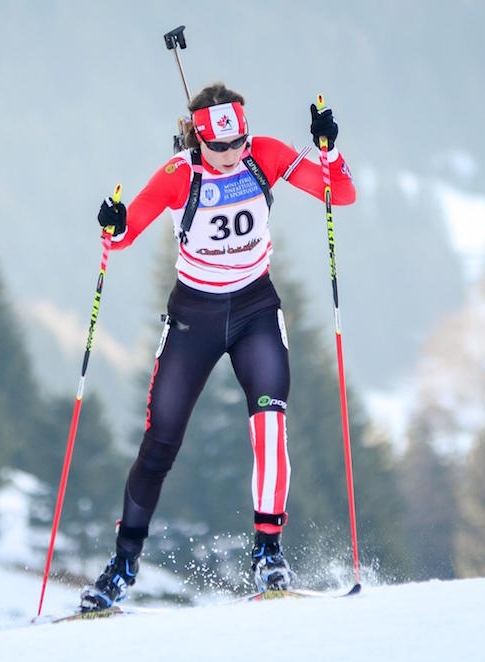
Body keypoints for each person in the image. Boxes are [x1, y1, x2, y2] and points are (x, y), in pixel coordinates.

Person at [79, 82, 356, 611]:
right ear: (198, 140)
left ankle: (268, 552)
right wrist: (112, 224)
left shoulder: (265, 155)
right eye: (218, 148)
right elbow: (122, 234)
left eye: (237, 145)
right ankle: (122, 565)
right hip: (195, 316)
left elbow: (338, 193)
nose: (230, 157)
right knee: (160, 443)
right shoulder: (180, 175)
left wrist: (329, 150)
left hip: (254, 310)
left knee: (271, 424)